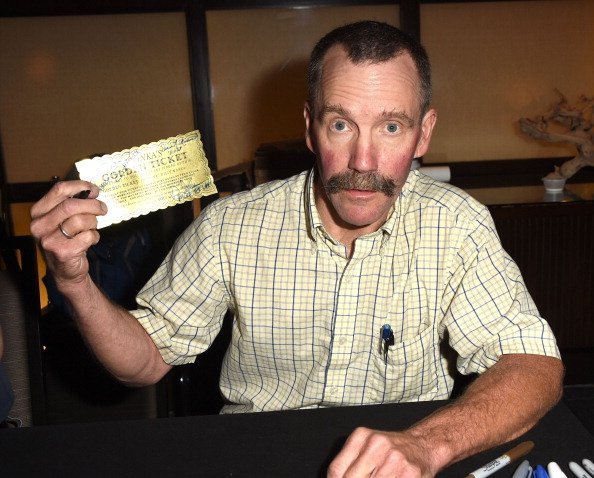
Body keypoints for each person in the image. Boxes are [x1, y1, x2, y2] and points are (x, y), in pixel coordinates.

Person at [30, 21, 563, 477]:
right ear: (310, 127)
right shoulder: (229, 226)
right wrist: (75, 282)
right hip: (252, 458)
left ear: (424, 134)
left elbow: (534, 365)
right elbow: (144, 362)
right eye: (340, 124)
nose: (362, 159)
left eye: (392, 127)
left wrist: (426, 446)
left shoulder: (456, 224)